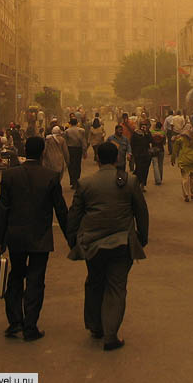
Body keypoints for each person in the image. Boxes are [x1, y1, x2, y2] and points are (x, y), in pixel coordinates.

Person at [66, 142, 148, 351]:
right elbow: (141, 212)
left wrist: (73, 241)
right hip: (122, 244)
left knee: (94, 282)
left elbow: (74, 216)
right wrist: (141, 238)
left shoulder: (85, 184)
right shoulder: (130, 181)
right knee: (116, 287)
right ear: (116, 159)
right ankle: (110, 334)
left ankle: (95, 326)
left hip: (93, 245)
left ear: (98, 159)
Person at [0, 136, 69, 342]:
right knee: (36, 281)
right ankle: (30, 326)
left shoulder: (10, 176)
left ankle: (15, 322)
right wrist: (72, 238)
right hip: (40, 237)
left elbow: (3, 209)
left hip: (15, 236)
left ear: (25, 150)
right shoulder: (51, 177)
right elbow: (61, 211)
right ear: (43, 152)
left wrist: (0, 239)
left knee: (16, 276)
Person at [171, 124, 193, 202]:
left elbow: (175, 150)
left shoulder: (180, 139)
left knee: (185, 178)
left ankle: (186, 195)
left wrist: (173, 159)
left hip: (184, 160)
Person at [64, 118, 87, 189]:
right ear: (77, 123)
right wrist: (84, 151)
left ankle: (73, 181)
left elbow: (65, 142)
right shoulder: (81, 130)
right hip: (78, 149)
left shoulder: (67, 131)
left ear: (70, 123)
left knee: (70, 165)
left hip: (70, 149)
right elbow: (83, 141)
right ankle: (77, 180)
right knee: (77, 165)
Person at [130, 120, 153, 191]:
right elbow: (132, 143)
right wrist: (133, 153)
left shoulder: (148, 133)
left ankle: (142, 184)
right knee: (139, 169)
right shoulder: (136, 133)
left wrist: (146, 133)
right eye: (142, 125)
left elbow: (150, 140)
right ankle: (136, 183)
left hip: (146, 155)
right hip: (138, 155)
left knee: (145, 170)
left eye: (145, 125)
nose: (143, 126)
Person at [150, 121, 166, 185]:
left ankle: (157, 180)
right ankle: (160, 179)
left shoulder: (152, 132)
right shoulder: (163, 133)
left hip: (154, 150)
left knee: (155, 165)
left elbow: (150, 141)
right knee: (160, 164)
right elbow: (164, 142)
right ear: (161, 126)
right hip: (161, 149)